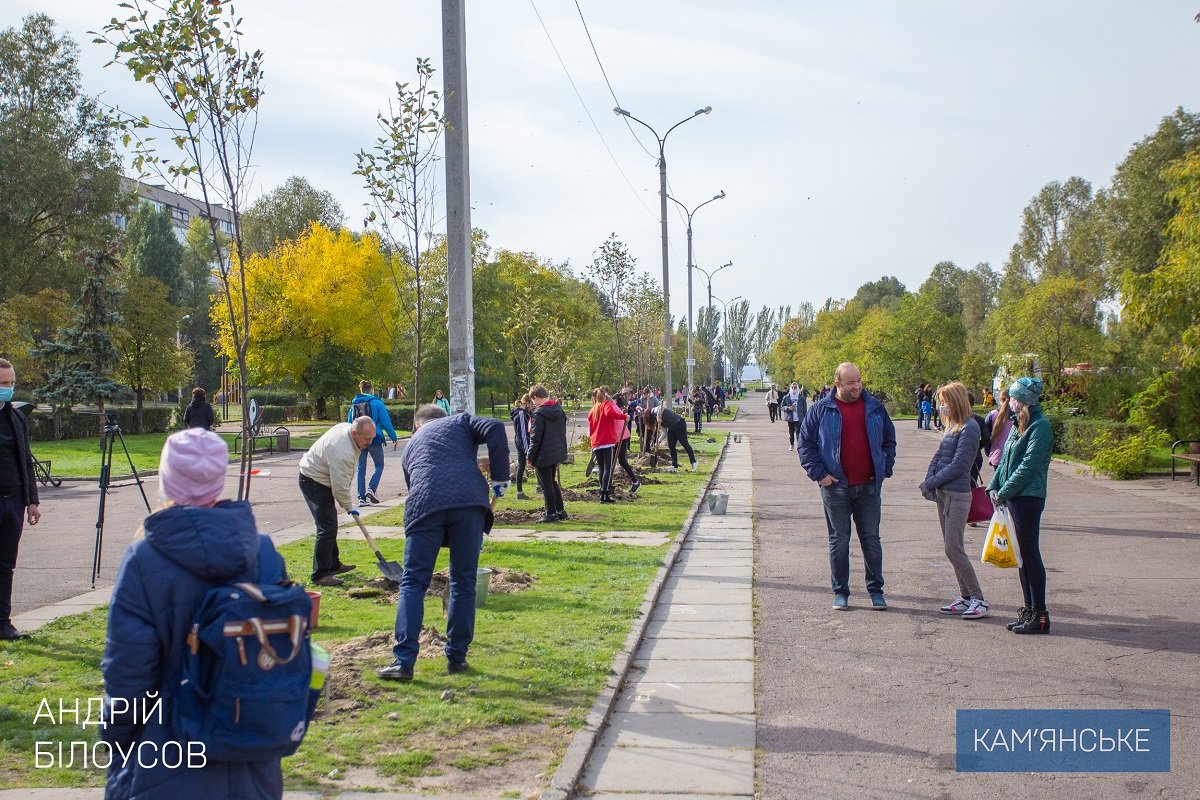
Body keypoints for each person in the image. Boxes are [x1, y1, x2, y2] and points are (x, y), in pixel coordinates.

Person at [101, 428, 287, 798]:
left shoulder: (144, 560)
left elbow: (129, 671)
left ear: (166, 480)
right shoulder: (263, 551)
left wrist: (118, 740)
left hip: (168, 751)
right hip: (248, 744)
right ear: (219, 479)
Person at [377, 404, 510, 681]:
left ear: (417, 425)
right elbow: (496, 427)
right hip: (469, 504)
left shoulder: (412, 445)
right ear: (443, 419)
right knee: (463, 582)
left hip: (425, 505)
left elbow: (418, 485)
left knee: (413, 582)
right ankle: (457, 658)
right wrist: (500, 477)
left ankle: (403, 662)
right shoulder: (460, 422)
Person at [798, 362, 896, 611]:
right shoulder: (821, 409)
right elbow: (806, 444)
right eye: (851, 382)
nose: (857, 386)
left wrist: (884, 468)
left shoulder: (874, 407)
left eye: (859, 380)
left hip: (869, 487)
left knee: (871, 539)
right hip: (835, 487)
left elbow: (888, 439)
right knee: (839, 540)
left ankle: (876, 591)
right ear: (837, 384)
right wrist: (820, 475)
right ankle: (840, 592)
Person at [988, 377, 1054, 635]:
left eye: (1014, 398)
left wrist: (1003, 491)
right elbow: (1005, 461)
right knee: (1021, 557)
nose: (1009, 402)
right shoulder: (1019, 425)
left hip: (1028, 498)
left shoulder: (1040, 427)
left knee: (1029, 554)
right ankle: (1029, 610)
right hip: (1014, 496)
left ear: (1025, 401)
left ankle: (1040, 614)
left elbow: (1028, 467)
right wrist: (993, 486)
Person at [919, 382, 989, 619]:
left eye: (944, 402)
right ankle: (966, 596)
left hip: (957, 494)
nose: (941, 406)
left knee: (953, 548)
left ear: (955, 401)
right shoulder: (953, 427)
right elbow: (939, 455)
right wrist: (930, 479)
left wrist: (932, 482)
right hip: (943, 493)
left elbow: (960, 464)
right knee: (952, 548)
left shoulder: (970, 428)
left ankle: (978, 598)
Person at [298, 416, 376, 586]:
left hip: (322, 479)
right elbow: (340, 487)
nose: (369, 442)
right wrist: (349, 506)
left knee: (330, 523)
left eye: (372, 438)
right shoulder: (343, 452)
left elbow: (340, 483)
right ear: (354, 432)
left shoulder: (348, 430)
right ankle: (320, 574)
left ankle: (333, 564)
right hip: (312, 480)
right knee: (327, 526)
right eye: (366, 439)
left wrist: (348, 503)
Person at [0, 358, 41, 641]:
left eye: (12, 383)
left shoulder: (16, 417)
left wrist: (32, 501)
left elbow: (26, 460)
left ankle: (3, 622)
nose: (9, 388)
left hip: (13, 501)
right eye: (4, 384)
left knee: (6, 565)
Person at [348, 380, 399, 505]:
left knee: (361, 468)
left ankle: (361, 498)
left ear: (361, 390)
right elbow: (385, 421)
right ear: (371, 390)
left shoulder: (353, 405)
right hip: (374, 437)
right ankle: (372, 488)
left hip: (359, 440)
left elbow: (350, 423)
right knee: (379, 465)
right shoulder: (376, 403)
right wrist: (393, 437)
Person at [527, 384, 568, 522]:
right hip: (556, 451)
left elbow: (535, 438)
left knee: (546, 484)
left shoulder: (539, 414)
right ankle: (560, 510)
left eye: (533, 400)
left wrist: (530, 456)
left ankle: (550, 513)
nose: (533, 404)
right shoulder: (559, 410)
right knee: (552, 482)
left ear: (536, 397)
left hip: (542, 454)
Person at [587, 387, 626, 504]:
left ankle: (601, 493)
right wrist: (625, 416)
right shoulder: (606, 405)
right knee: (607, 468)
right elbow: (611, 414)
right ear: (604, 396)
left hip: (596, 442)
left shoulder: (593, 409)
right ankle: (605, 494)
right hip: (606, 441)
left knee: (601, 468)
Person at [613, 392, 642, 494]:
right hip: (621, 435)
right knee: (617, 460)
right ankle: (634, 481)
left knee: (620, 460)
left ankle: (635, 481)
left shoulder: (611, 408)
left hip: (620, 436)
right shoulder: (613, 406)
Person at [656, 403, 697, 472]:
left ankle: (693, 462)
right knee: (671, 445)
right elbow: (664, 433)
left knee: (684, 443)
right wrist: (658, 441)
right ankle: (674, 465)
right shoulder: (657, 422)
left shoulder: (654, 411)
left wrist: (658, 417)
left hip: (679, 423)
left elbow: (661, 407)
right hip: (671, 428)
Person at [983, 388, 1012, 472]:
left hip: (997, 455)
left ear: (999, 399)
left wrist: (989, 452)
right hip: (1014, 457)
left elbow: (986, 437)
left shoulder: (992, 415)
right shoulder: (1019, 416)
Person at [510, 394, 533, 499]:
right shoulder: (521, 414)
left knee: (522, 465)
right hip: (523, 442)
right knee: (527, 464)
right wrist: (527, 451)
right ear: (527, 403)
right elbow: (523, 433)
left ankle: (520, 492)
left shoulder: (524, 413)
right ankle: (521, 491)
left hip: (520, 442)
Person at [779, 382, 807, 451]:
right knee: (791, 432)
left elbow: (805, 409)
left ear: (797, 388)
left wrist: (805, 418)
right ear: (790, 388)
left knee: (798, 432)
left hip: (799, 418)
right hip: (790, 418)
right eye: (792, 387)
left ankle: (799, 446)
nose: (793, 389)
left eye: (795, 387)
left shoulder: (801, 398)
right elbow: (781, 407)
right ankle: (791, 445)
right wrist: (787, 408)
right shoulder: (786, 397)